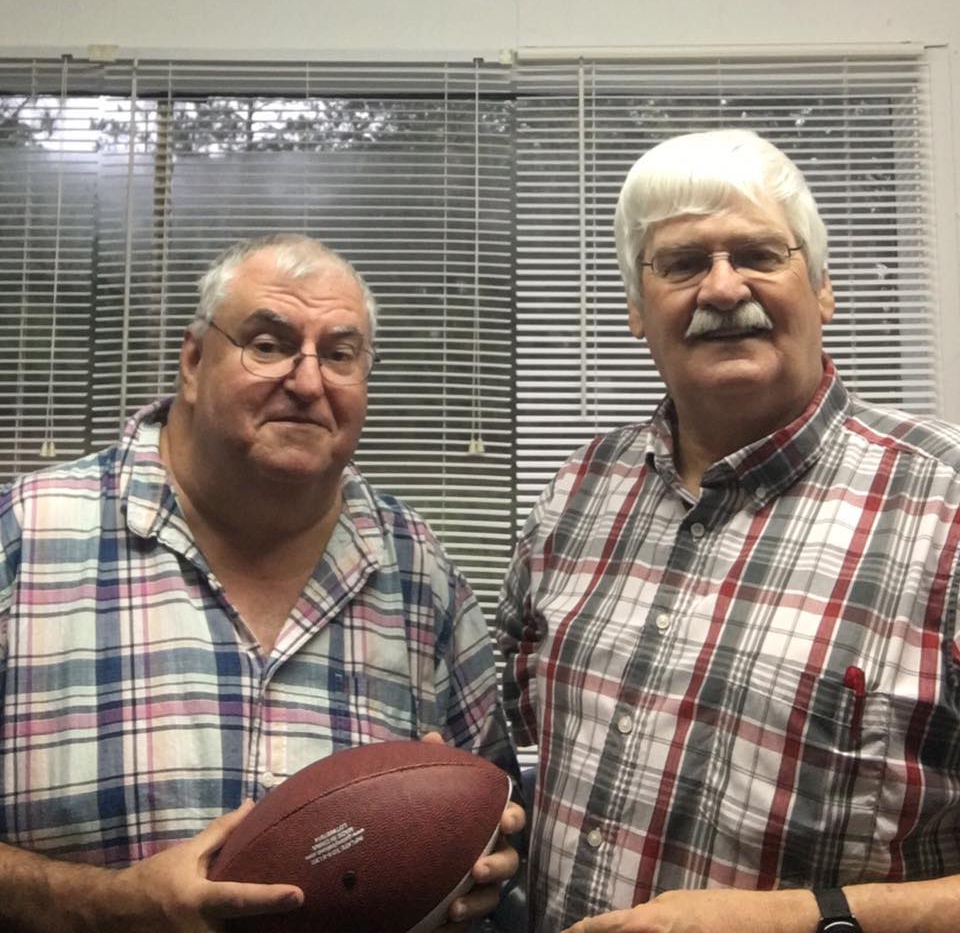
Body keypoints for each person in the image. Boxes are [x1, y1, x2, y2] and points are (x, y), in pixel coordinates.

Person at [497, 129, 960, 933]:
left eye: (758, 254)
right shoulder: (576, 495)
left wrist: (803, 920)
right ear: (637, 311)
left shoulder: (945, 505)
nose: (721, 288)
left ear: (822, 289)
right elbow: (526, 753)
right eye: (682, 264)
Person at [0, 233, 523, 931]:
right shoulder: (24, 539)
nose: (308, 383)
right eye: (268, 345)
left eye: (339, 355)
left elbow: (497, 817)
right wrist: (106, 906)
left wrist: (477, 863)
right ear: (193, 361)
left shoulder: (420, 574)